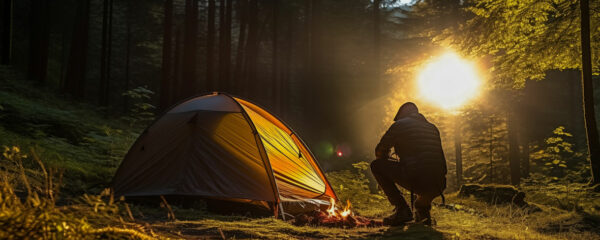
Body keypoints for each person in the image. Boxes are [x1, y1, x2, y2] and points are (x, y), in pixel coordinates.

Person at [370, 102, 447, 226]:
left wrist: (384, 165)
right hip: (439, 183)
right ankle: (423, 217)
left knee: (376, 166)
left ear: (402, 115)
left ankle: (402, 210)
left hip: (416, 177)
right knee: (420, 201)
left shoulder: (399, 125)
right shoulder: (432, 128)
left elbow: (380, 150)